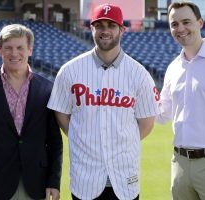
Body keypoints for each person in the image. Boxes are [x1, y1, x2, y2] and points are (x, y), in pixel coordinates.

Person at [47, 3, 160, 200]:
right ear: (91, 28)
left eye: (111, 25)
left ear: (121, 30)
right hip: (85, 177)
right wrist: (83, 138)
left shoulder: (139, 74)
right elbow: (62, 115)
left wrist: (121, 142)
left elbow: (147, 123)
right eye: (99, 25)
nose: (105, 31)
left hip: (124, 176)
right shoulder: (70, 71)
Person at [0, 24, 63, 200]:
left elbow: (55, 142)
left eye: (20, 48)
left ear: (30, 50)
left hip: (36, 185)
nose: (14, 53)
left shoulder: (47, 89)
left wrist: (54, 182)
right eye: (8, 48)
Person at [156, 2, 205, 200]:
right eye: (174, 24)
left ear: (200, 22)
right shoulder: (173, 68)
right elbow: (162, 115)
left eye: (186, 22)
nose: (180, 29)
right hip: (180, 164)